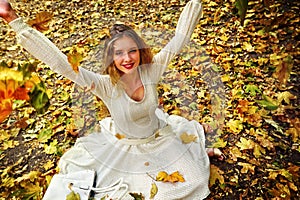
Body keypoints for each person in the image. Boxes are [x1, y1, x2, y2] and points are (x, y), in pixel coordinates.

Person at [0, 0, 224, 199]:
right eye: (119, 53)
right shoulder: (105, 85)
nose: (127, 59)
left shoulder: (151, 70)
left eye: (132, 51)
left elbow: (180, 40)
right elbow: (61, 63)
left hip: (161, 138)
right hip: (127, 147)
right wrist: (13, 19)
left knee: (194, 179)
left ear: (140, 51)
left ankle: (197, 152)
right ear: (111, 57)